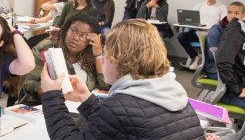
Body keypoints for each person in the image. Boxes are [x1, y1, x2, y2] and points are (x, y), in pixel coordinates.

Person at [40, 19, 206, 140]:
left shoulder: (116, 109)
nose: (103, 59)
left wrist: (52, 95)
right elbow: (122, 125)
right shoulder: (175, 93)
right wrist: (86, 99)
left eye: (105, 53)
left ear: (121, 60)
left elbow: (118, 117)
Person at [18, 14, 109, 105]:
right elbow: (29, 84)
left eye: (83, 36)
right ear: (66, 29)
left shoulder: (91, 54)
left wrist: (98, 54)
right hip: (43, 107)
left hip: (79, 109)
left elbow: (104, 84)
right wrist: (65, 95)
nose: (76, 38)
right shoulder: (47, 48)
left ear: (90, 41)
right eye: (73, 31)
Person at [177, 0, 227, 70]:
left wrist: (209, 30)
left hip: (211, 34)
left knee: (211, 45)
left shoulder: (221, 7)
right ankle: (195, 57)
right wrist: (195, 27)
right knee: (181, 37)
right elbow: (191, 20)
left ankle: (208, 66)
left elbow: (223, 23)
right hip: (197, 32)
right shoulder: (199, 5)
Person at [204, 2, 245, 80]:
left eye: (236, 13)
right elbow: (211, 54)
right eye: (229, 12)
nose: (232, 15)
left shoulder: (242, 29)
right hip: (216, 69)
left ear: (243, 15)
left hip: (234, 67)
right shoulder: (217, 28)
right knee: (244, 82)